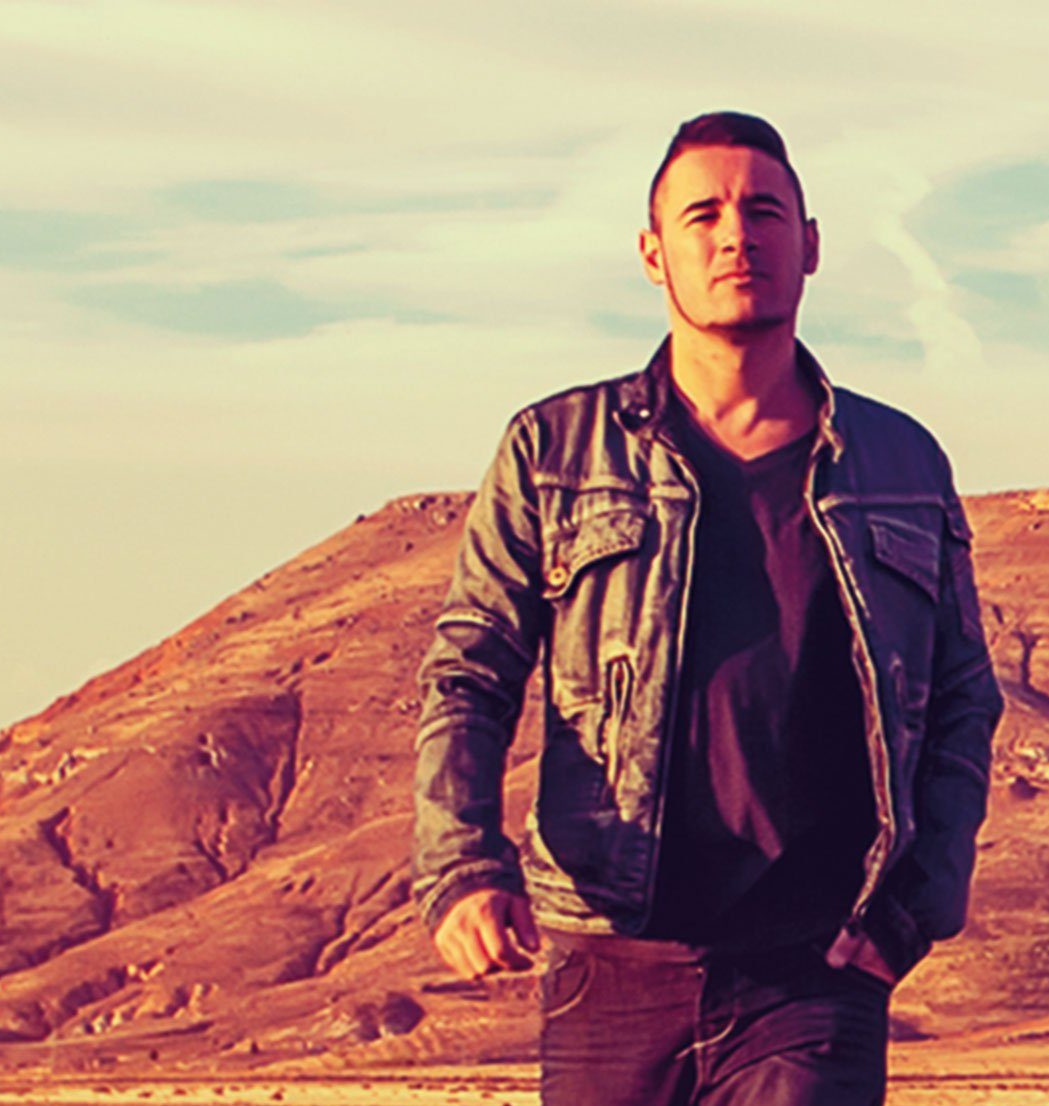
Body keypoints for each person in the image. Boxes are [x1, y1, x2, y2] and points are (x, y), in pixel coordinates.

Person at [410, 111, 1002, 1106]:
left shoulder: (898, 463)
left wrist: (916, 904)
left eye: (764, 211)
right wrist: (463, 865)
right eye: (704, 215)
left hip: (814, 967)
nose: (737, 236)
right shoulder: (555, 452)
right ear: (654, 253)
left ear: (809, 244)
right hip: (609, 960)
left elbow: (961, 697)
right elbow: (470, 673)